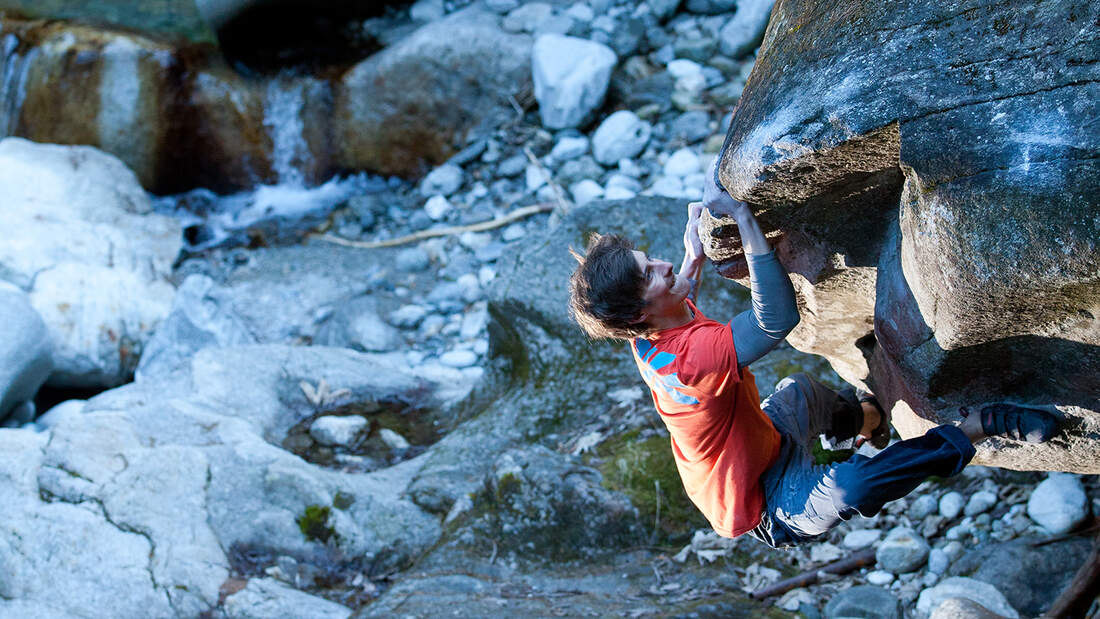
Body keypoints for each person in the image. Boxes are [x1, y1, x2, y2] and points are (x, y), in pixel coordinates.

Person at [567, 158, 1061, 548]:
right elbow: (775, 320)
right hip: (764, 502)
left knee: (801, 393)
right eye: (650, 272)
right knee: (856, 485)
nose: (663, 264)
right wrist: (743, 217)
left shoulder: (653, 327)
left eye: (649, 257)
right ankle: (978, 426)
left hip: (768, 437)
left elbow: (681, 290)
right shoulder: (688, 360)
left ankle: (869, 418)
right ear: (637, 316)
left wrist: (694, 252)